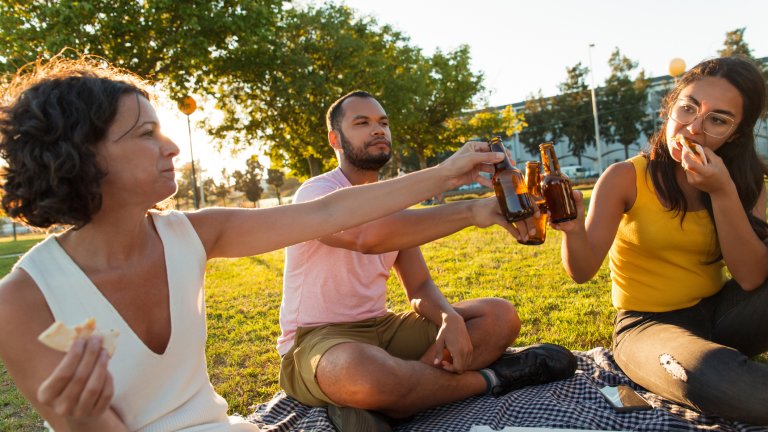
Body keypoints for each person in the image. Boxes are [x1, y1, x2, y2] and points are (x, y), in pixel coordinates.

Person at [0, 58, 510, 432]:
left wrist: (448, 175)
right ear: (82, 158)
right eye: (145, 134)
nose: (172, 145)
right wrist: (84, 422)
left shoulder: (194, 234)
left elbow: (329, 213)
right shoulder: (21, 300)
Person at [278, 90, 576, 430]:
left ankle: (396, 399)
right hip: (315, 338)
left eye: (383, 123)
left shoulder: (394, 203)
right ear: (335, 138)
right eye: (362, 123)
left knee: (499, 316)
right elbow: (366, 237)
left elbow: (418, 285)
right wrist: (473, 210)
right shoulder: (315, 194)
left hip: (382, 329)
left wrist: (449, 317)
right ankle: (493, 378)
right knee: (360, 371)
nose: (378, 130)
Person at [554, 56, 768, 425]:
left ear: (735, 134)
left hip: (722, 314)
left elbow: (750, 279)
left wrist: (722, 193)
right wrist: (573, 230)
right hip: (646, 327)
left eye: (717, 119)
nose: (693, 129)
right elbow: (582, 271)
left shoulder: (745, 184)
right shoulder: (625, 176)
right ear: (669, 110)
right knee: (709, 372)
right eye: (687, 109)